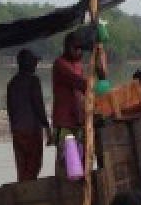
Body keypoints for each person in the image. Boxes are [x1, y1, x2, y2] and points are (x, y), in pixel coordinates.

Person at [6, 48, 52, 181]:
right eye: (34, 62)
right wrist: (47, 127)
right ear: (29, 64)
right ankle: (28, 194)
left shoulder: (12, 83)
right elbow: (39, 106)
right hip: (31, 130)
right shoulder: (33, 81)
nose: (36, 65)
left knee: (22, 167)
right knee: (34, 165)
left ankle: (23, 193)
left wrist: (14, 129)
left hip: (17, 131)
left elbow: (11, 111)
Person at [52, 32, 88, 178]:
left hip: (78, 120)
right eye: (75, 48)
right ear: (67, 47)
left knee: (81, 159)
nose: (78, 51)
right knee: (66, 160)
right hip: (65, 121)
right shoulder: (60, 64)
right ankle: (63, 192)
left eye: (80, 49)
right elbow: (79, 82)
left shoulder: (78, 65)